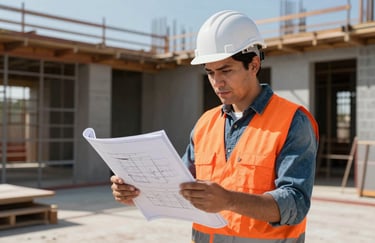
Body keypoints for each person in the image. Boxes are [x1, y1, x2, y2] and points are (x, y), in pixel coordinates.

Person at [111, 10, 319, 243]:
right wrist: (137, 194)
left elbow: (296, 203)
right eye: (210, 72)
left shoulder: (292, 121)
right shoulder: (205, 124)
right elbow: (177, 186)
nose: (217, 82)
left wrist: (229, 200)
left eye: (226, 70)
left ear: (254, 64)